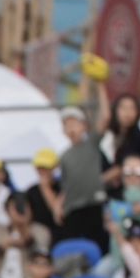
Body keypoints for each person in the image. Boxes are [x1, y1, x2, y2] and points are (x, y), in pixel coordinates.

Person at [58, 105, 109, 250]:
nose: (71, 128)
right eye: (67, 125)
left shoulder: (91, 144)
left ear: (84, 126)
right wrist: (58, 205)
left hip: (94, 204)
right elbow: (65, 185)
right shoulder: (64, 156)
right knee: (74, 246)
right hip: (73, 208)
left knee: (98, 244)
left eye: (75, 123)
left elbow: (105, 118)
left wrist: (100, 85)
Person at [26, 147, 65, 242]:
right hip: (38, 234)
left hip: (59, 233)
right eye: (39, 167)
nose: (42, 171)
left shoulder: (63, 187)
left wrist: (45, 188)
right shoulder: (31, 191)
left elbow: (58, 214)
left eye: (46, 167)